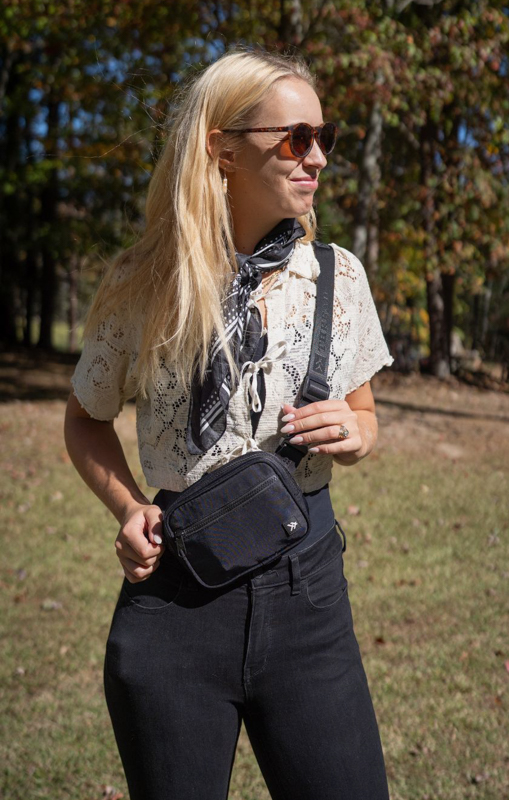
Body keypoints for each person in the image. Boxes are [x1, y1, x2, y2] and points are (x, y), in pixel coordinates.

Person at [63, 47, 394, 799]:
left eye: (325, 139)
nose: (317, 159)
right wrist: (127, 507)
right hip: (173, 605)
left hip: (308, 600)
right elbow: (85, 421)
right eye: (294, 138)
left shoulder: (337, 277)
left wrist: (356, 432)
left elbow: (367, 416)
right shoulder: (139, 283)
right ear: (220, 150)